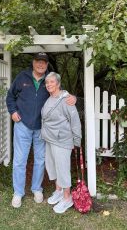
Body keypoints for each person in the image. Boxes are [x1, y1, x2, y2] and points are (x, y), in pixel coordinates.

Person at [6, 52, 76, 208]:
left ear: (46, 65)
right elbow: (10, 96)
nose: (40, 64)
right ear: (33, 62)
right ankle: (18, 193)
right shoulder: (22, 77)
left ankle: (37, 189)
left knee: (40, 160)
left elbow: (60, 94)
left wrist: (73, 97)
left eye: (43, 62)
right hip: (22, 125)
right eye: (38, 61)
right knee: (19, 161)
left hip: (42, 129)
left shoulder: (49, 80)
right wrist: (13, 111)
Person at [41, 72, 82, 214]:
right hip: (49, 138)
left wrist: (77, 139)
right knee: (52, 166)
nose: (49, 84)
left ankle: (67, 198)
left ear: (58, 84)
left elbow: (75, 120)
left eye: (52, 82)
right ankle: (58, 191)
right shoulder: (50, 98)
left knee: (63, 169)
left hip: (62, 140)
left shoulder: (66, 99)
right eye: (47, 82)